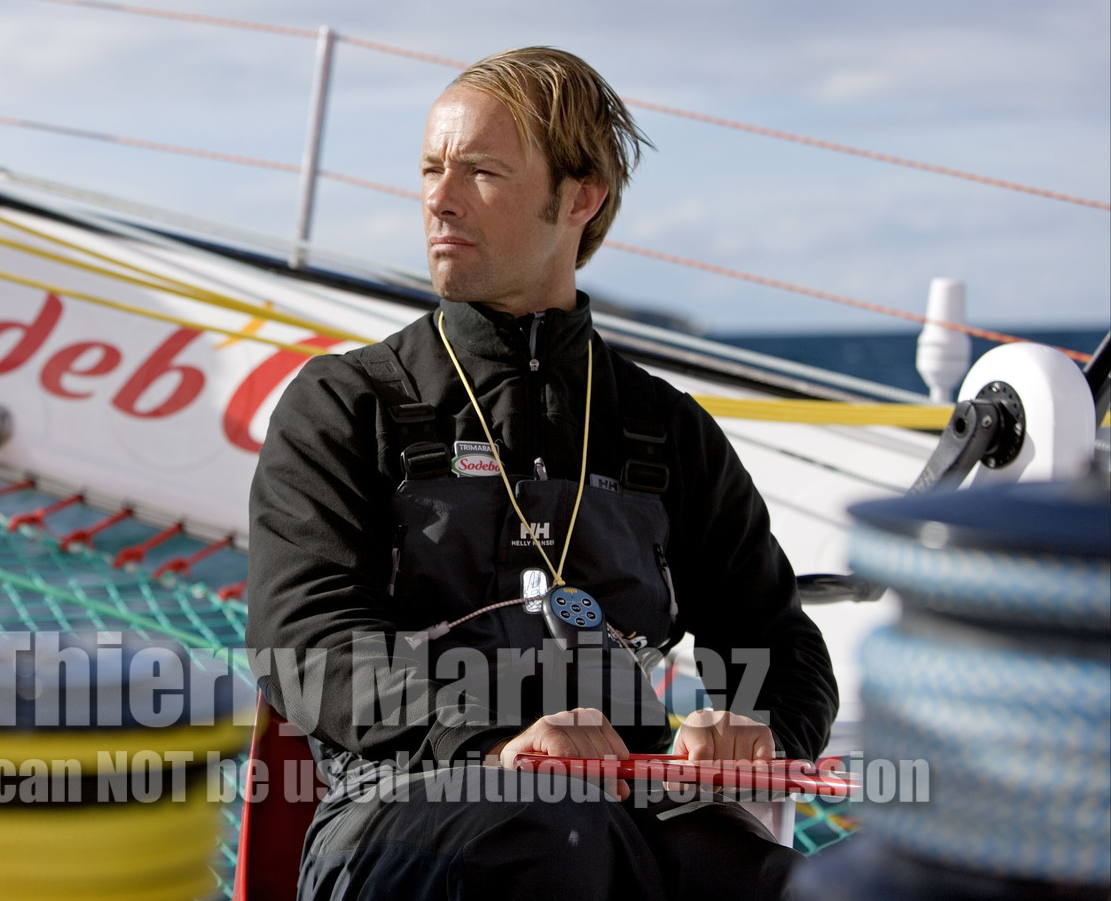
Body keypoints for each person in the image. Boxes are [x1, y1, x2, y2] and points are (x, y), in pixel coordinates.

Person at [245, 46, 838, 900]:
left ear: (581, 198)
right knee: (549, 837)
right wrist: (497, 735)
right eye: (430, 168)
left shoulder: (666, 431)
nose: (440, 199)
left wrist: (759, 730)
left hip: (631, 808)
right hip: (404, 811)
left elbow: (777, 640)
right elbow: (303, 645)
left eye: (481, 171)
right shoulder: (348, 404)